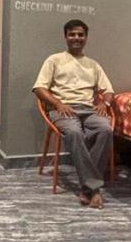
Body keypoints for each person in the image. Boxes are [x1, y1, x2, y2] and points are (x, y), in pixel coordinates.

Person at [32, 19, 114, 208]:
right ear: (66, 37)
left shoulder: (93, 65)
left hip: (89, 110)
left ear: (86, 37)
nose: (76, 38)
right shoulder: (54, 60)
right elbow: (39, 88)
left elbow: (108, 90)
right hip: (63, 108)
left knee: (106, 130)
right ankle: (94, 189)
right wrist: (58, 103)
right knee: (75, 133)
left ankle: (87, 188)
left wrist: (105, 102)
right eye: (72, 34)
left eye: (80, 34)